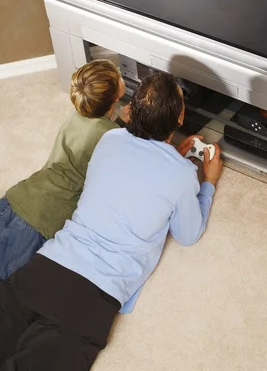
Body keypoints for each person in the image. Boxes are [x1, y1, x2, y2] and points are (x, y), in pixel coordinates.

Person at [0, 71, 222, 370]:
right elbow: (188, 233)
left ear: (132, 109)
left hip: (46, 267)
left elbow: (131, 173)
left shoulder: (109, 139)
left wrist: (173, 158)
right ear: (179, 119)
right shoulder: (182, 175)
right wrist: (207, 182)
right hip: (93, 296)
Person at [0, 59, 127, 281]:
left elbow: (94, 134)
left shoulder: (76, 115)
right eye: (119, 76)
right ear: (115, 96)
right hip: (39, 219)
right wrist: (125, 126)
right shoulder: (112, 136)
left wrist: (117, 122)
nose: (122, 76)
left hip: (18, 197)